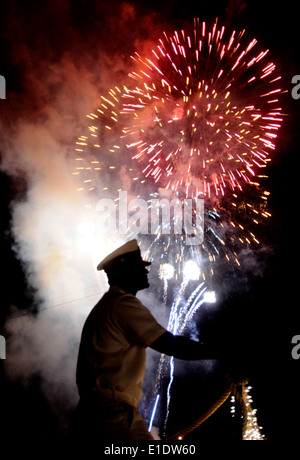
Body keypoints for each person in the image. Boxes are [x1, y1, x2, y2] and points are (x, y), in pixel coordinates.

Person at [73, 239, 220, 442]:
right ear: (125, 270)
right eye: (139, 267)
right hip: (112, 414)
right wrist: (223, 352)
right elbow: (171, 345)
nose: (146, 271)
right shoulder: (123, 304)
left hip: (102, 412)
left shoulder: (109, 305)